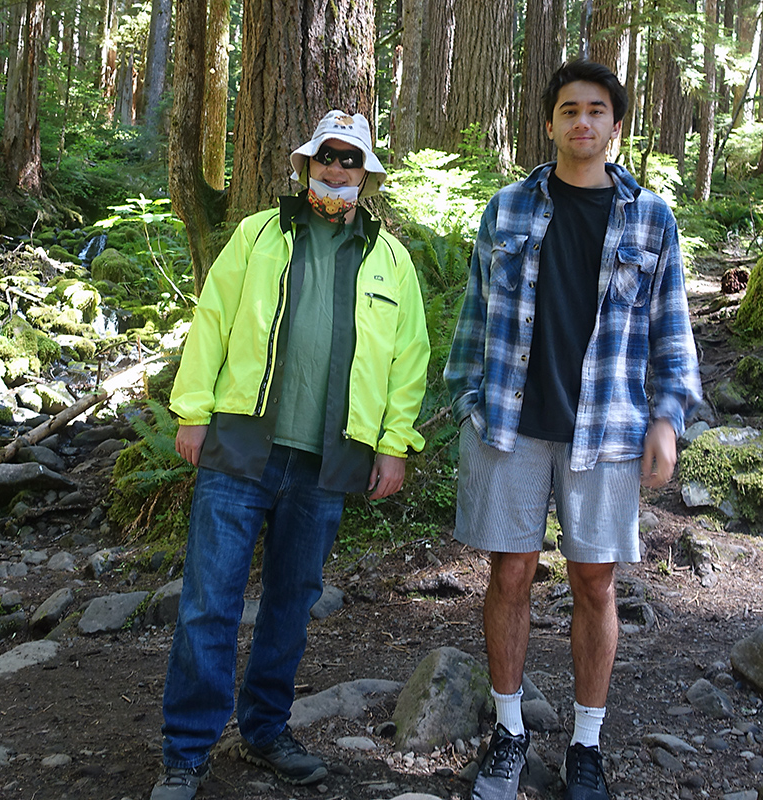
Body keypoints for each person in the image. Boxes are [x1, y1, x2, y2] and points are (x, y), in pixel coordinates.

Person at [150, 110, 431, 800]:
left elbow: (409, 361)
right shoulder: (258, 235)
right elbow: (212, 319)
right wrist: (192, 412)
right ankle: (187, 751)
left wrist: (393, 446)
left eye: (350, 161)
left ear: (366, 174)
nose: (336, 171)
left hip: (327, 463)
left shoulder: (390, 260)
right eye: (325, 158)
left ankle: (266, 729)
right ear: (307, 165)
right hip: (242, 444)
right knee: (207, 604)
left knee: (289, 603)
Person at [444, 60, 701, 800]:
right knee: (510, 575)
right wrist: (467, 396)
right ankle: (509, 732)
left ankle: (587, 745)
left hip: (608, 431)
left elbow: (669, 324)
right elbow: (476, 309)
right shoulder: (508, 208)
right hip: (510, 425)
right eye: (568, 110)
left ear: (615, 126)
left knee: (595, 582)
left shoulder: (649, 218)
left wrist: (667, 417)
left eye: (596, 110)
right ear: (551, 123)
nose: (582, 122)